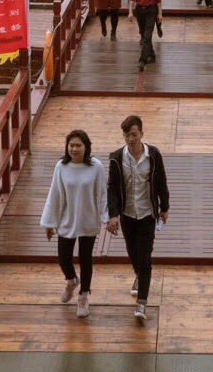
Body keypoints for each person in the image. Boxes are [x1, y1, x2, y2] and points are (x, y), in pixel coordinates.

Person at [105, 114, 170, 323]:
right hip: (127, 214)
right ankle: (139, 276)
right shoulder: (116, 158)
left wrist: (164, 207)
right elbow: (112, 189)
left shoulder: (153, 154)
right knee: (132, 251)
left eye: (134, 135)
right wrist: (113, 215)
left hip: (147, 213)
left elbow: (161, 181)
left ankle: (142, 301)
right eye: (126, 135)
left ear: (142, 133)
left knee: (145, 256)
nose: (130, 139)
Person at [40, 129, 107, 319]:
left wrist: (107, 218)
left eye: (78, 145)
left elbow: (102, 195)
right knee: (63, 258)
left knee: (86, 259)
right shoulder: (61, 166)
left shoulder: (96, 167)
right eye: (71, 145)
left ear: (86, 147)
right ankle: (71, 280)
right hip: (67, 220)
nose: (74, 149)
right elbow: (55, 195)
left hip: (88, 219)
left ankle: (84, 295)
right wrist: (50, 223)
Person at [129, 0, 164, 67]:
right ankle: (152, 55)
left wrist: (160, 13)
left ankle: (142, 60)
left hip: (151, 10)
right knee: (144, 34)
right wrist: (130, 12)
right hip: (139, 10)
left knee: (147, 35)